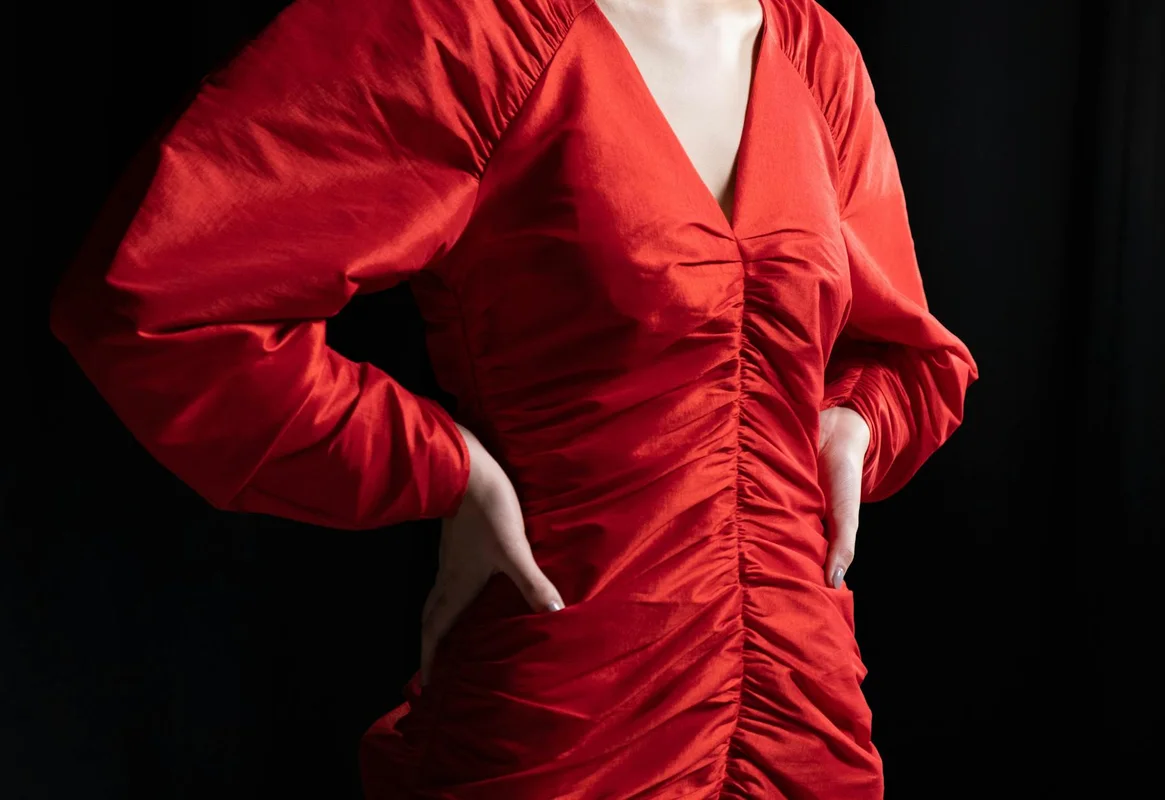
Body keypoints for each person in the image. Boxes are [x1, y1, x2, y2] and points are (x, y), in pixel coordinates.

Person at [50, 0, 980, 796]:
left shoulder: (817, 52)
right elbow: (162, 304)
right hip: (573, 700)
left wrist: (855, 420)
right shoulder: (467, 30)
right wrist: (445, 468)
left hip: (801, 696)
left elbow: (907, 351)